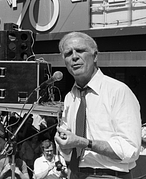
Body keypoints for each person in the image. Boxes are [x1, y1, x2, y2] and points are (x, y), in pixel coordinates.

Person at [54, 32, 141, 179]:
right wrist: (63, 144)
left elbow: (130, 150)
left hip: (109, 174)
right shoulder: (70, 97)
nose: (74, 56)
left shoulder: (118, 91)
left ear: (95, 56)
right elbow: (68, 147)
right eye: (68, 53)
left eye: (80, 50)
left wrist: (83, 142)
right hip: (74, 173)